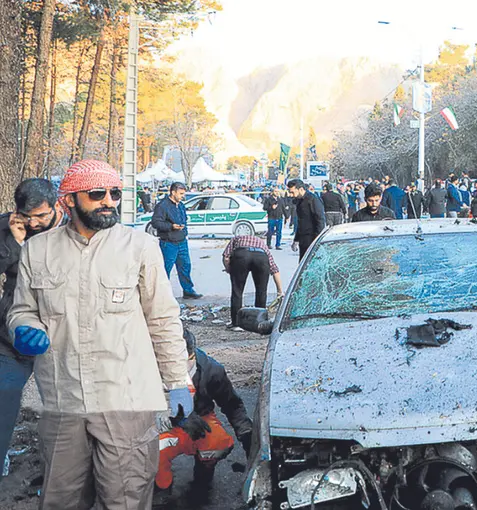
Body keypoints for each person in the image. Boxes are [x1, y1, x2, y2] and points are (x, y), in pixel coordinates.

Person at [7, 159, 191, 510]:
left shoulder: (140, 248)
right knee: (60, 499)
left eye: (115, 193)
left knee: (125, 499)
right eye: (96, 194)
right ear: (69, 201)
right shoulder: (38, 250)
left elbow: (163, 319)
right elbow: (22, 308)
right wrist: (24, 328)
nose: (109, 201)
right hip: (63, 399)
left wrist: (177, 379)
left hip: (126, 398)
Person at [0, 179, 64, 480]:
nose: (35, 223)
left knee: (64, 407)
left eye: (41, 215)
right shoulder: (7, 227)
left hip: (60, 335)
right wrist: (14, 242)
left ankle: (63, 469)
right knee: (4, 395)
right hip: (12, 334)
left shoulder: (73, 232)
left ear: (56, 206)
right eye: (28, 216)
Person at [155, 329, 253, 500]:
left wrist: (246, 433)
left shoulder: (212, 370)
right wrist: (175, 418)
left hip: (201, 419)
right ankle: (162, 486)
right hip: (163, 423)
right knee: (152, 451)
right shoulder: (149, 371)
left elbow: (232, 404)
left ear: (192, 356)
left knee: (216, 442)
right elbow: (138, 414)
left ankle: (203, 477)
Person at [151, 182, 202, 299]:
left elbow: (184, 219)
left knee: (185, 266)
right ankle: (162, 293)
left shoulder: (181, 205)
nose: (182, 196)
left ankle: (188, 290)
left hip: (182, 241)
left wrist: (184, 231)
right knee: (166, 268)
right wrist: (171, 226)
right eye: (180, 194)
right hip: (168, 243)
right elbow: (156, 222)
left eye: (183, 194)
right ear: (173, 192)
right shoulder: (162, 206)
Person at [222, 234, 284, 327]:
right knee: (261, 291)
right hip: (261, 257)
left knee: (237, 291)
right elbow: (274, 269)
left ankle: (236, 324)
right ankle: (260, 322)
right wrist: (280, 291)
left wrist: (229, 269)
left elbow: (226, 257)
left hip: (241, 255)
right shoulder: (261, 243)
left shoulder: (236, 238)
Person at [287, 178, 325, 262]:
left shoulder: (312, 199)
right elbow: (301, 222)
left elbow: (320, 220)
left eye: (292, 192)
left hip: (312, 238)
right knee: (302, 264)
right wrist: (296, 239)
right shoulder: (299, 201)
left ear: (300, 189)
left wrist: (317, 240)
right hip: (303, 238)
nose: (291, 195)